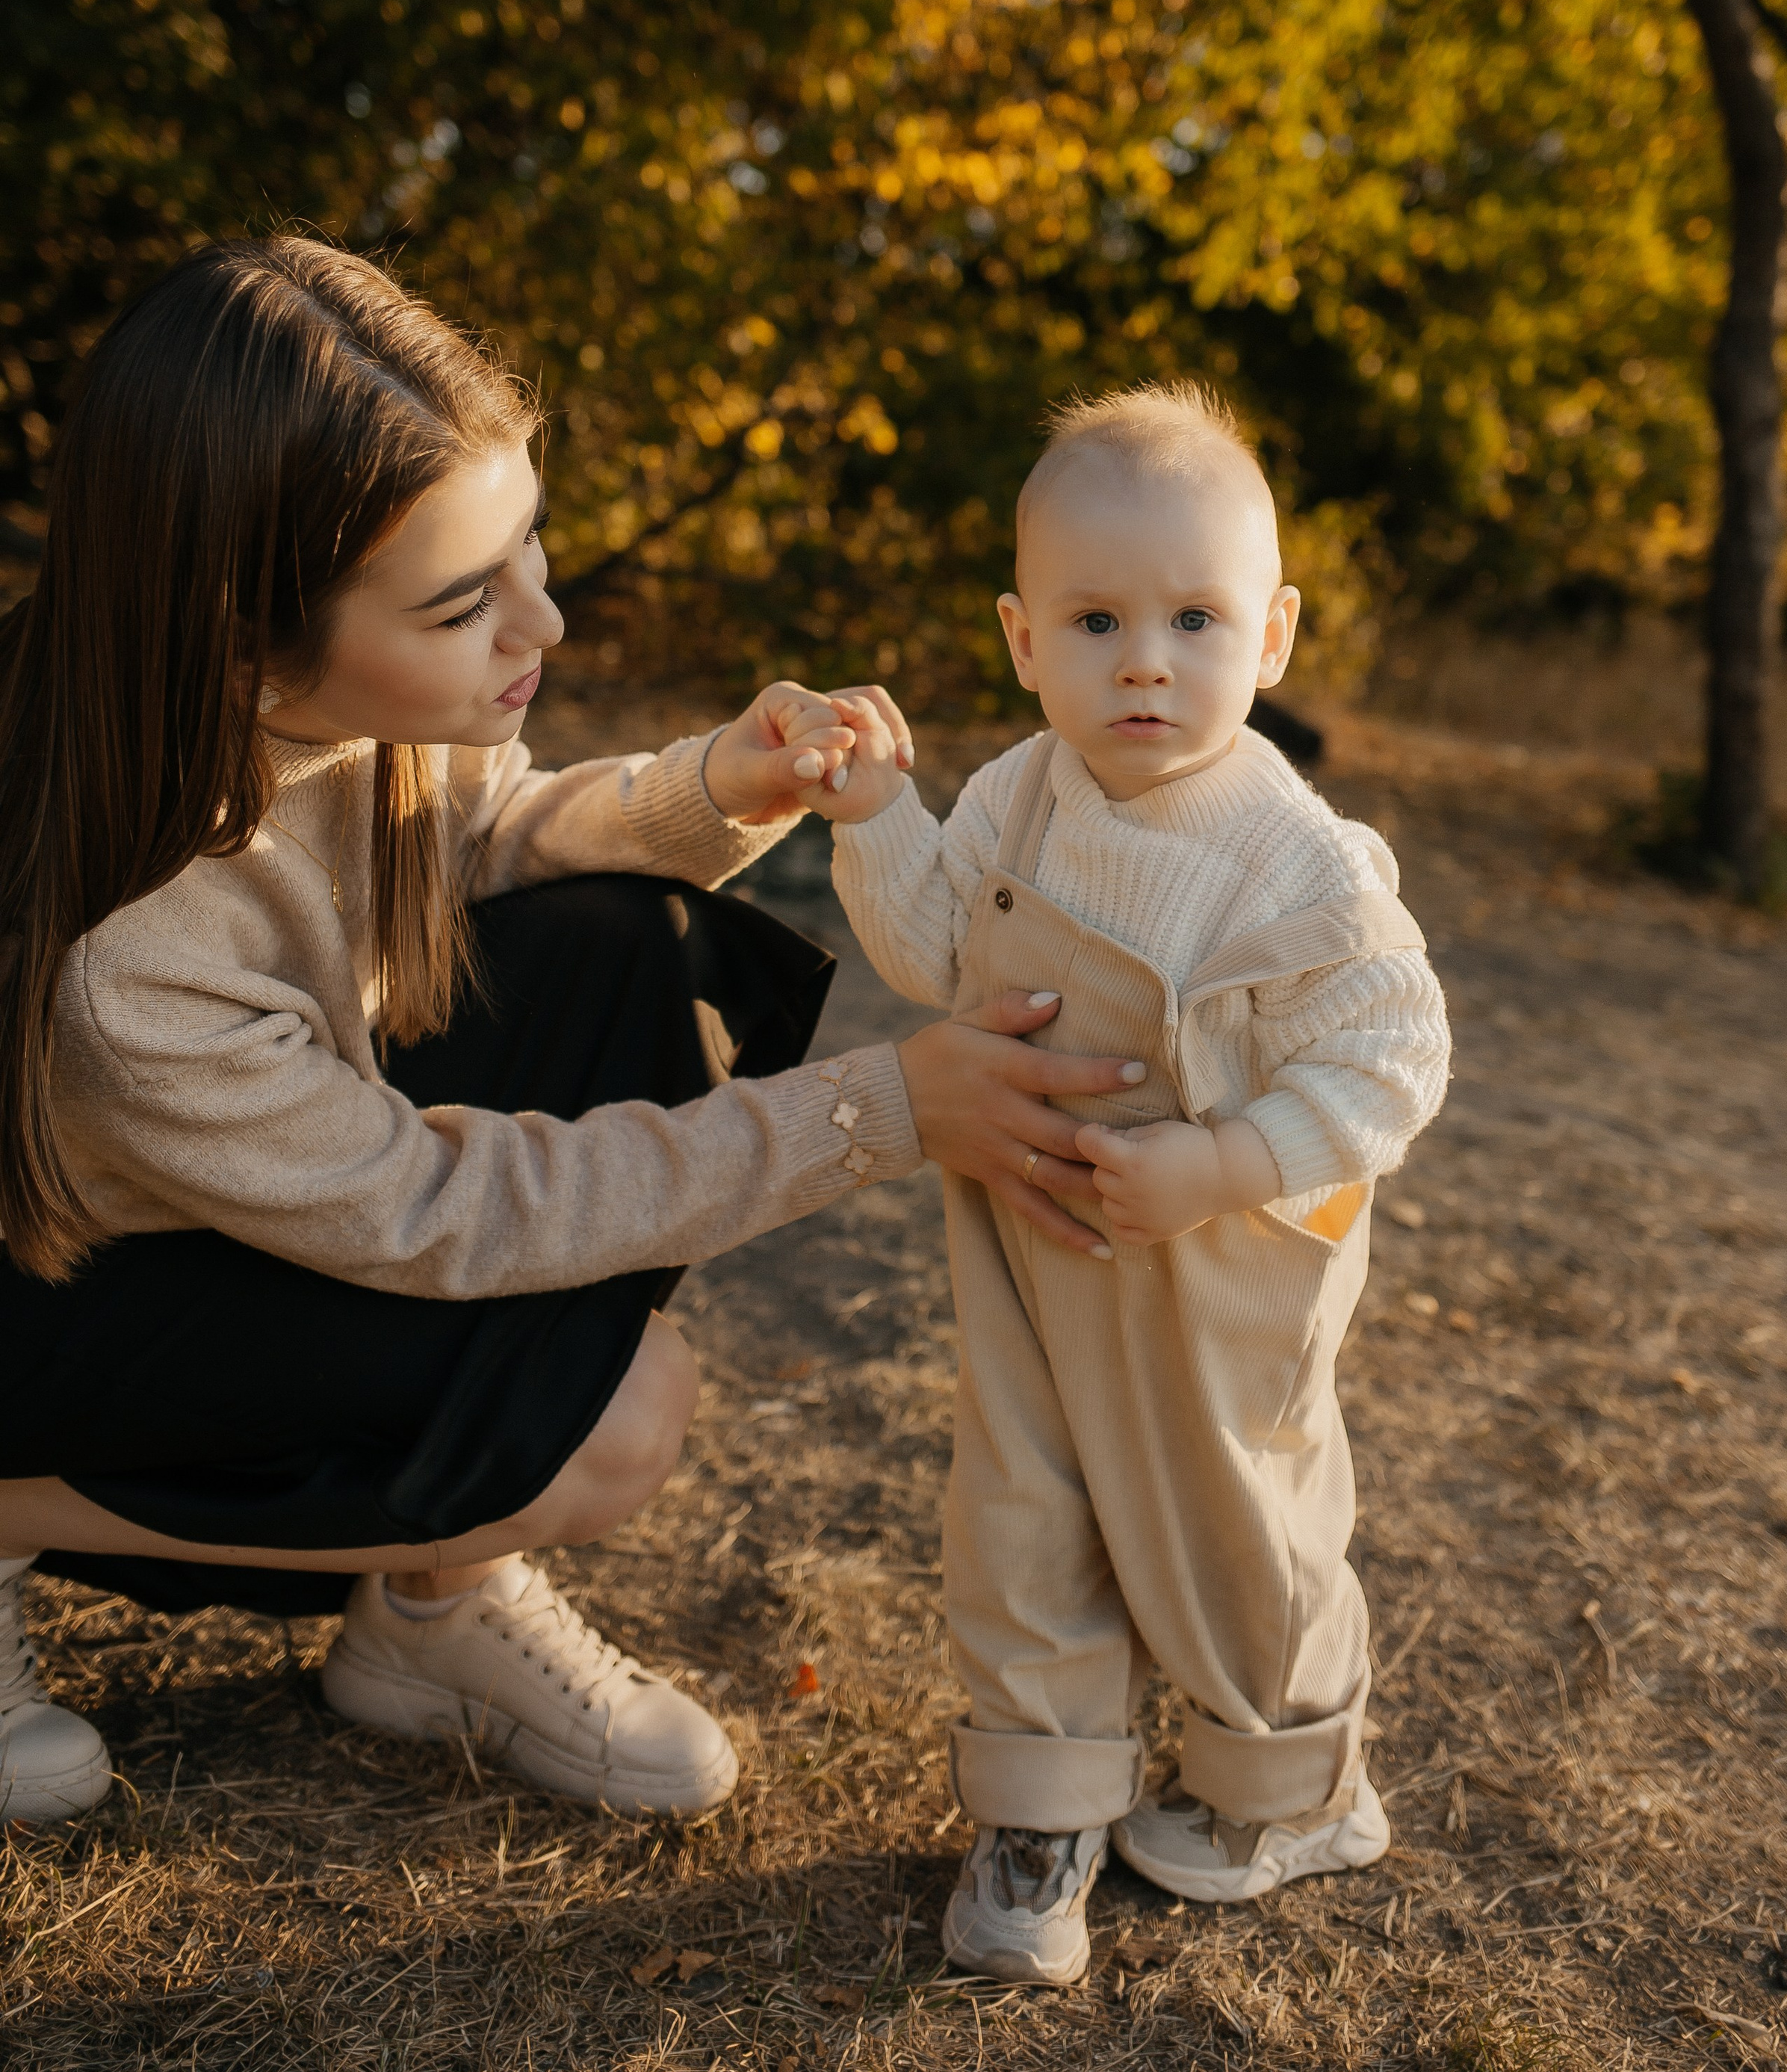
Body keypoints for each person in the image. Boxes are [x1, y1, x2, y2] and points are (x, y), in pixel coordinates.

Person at [0, 236, 1145, 1828]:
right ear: (244, 640)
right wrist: (873, 1112)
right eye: (468, 601)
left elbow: (488, 842)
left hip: (247, 1209)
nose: (539, 618)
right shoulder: (134, 949)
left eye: (528, 546)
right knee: (608, 1431)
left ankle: (426, 1617)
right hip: (62, 1305)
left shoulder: (321, 717)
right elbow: (437, 1209)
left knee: (620, 933)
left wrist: (710, 787)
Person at [808, 383, 1452, 1985]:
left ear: (1274, 634)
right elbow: (939, 955)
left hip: (1213, 1272)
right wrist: (880, 818)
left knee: (1234, 1521)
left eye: (1192, 618)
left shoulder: (1294, 860)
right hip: (1029, 1236)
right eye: (1096, 620)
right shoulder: (1020, 793)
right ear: (1023, 641)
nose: (1144, 662)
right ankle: (1041, 1810)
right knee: (1017, 1504)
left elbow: (1392, 1062)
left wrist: (1225, 1159)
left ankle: (1285, 1786)